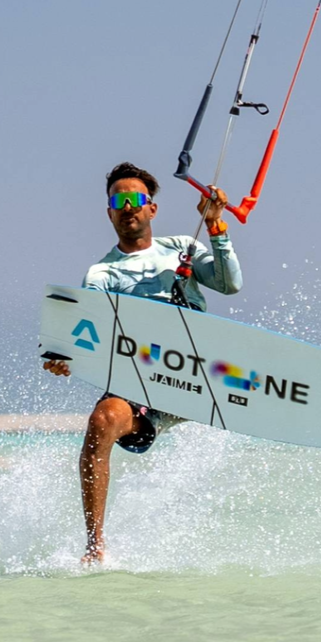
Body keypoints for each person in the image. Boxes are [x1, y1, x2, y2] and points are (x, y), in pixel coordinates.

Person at [42, 162, 239, 563]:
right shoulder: (102, 274)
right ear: (109, 212)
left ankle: (207, 404)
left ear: (152, 209)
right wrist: (66, 359)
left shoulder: (184, 245)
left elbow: (229, 283)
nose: (127, 207)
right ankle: (95, 546)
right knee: (101, 420)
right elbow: (87, 331)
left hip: (196, 367)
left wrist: (216, 226)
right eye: (119, 200)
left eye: (136, 199)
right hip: (139, 380)